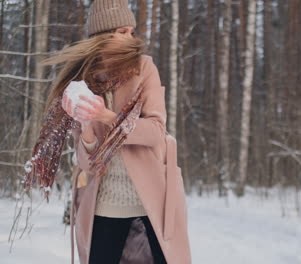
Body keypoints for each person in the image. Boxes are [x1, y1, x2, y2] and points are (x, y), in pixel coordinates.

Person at [24, 0, 191, 263]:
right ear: (103, 37)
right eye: (122, 32)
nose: (131, 38)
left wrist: (107, 116)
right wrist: (88, 122)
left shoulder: (144, 68)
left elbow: (156, 132)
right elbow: (85, 163)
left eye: (131, 31)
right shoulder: (83, 81)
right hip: (104, 205)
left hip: (151, 201)